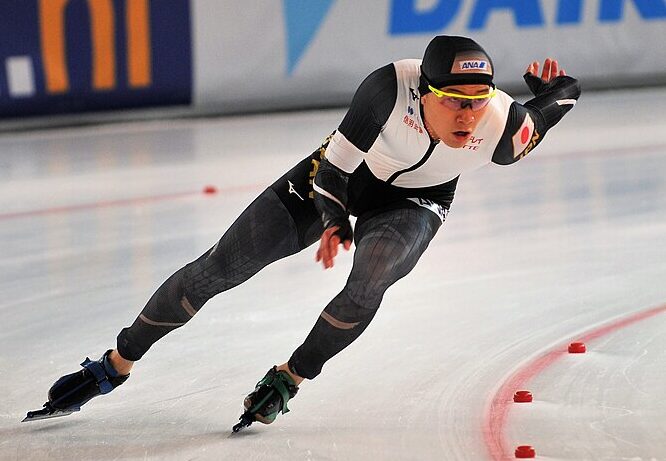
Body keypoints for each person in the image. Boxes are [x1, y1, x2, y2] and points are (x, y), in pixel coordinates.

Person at [24, 35, 581, 429]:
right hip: (342, 178)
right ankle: (116, 362)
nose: (468, 117)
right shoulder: (388, 89)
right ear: (425, 93)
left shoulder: (502, 127)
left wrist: (551, 89)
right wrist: (335, 221)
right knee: (221, 268)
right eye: (455, 103)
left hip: (416, 199)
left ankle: (291, 376)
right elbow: (332, 173)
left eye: (477, 103)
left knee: (370, 282)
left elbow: (561, 99)